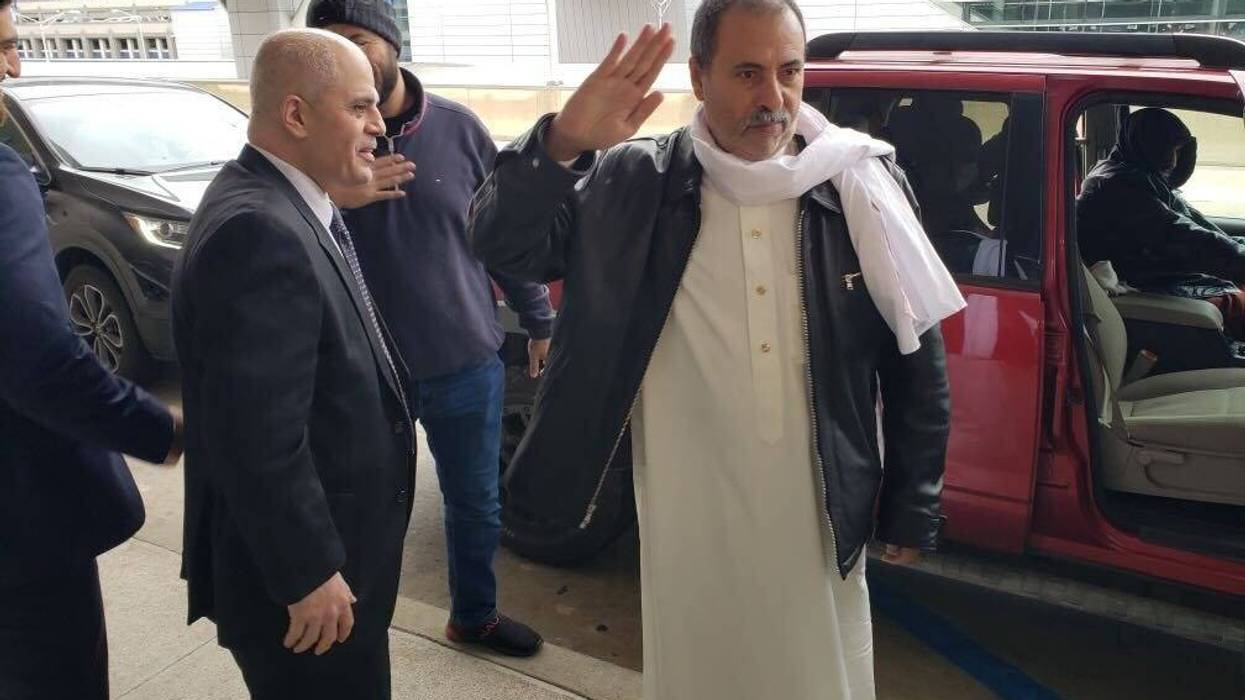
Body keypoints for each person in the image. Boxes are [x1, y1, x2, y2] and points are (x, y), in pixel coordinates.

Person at [469, 2, 962, 698]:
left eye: (789, 71)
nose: (773, 98)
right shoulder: (631, 181)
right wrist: (562, 142)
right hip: (686, 514)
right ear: (698, 78)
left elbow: (915, 357)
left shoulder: (860, 183)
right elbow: (501, 243)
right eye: (746, 73)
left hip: (815, 510)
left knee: (813, 673)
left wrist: (913, 499)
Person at [172, 29, 415, 699]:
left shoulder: (285, 203)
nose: (378, 125)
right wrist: (306, 571)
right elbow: (255, 436)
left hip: (326, 574)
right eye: (360, 108)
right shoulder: (260, 233)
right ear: (296, 115)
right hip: (306, 596)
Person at [308, 0, 551, 656]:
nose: (346, 61)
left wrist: (538, 320)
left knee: (475, 505)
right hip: (360, 372)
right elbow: (274, 234)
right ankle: (348, 630)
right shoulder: (312, 134)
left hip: (465, 361)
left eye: (357, 41)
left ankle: (474, 616)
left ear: (389, 44)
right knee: (357, 510)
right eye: (328, 47)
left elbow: (504, 239)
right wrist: (336, 198)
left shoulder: (459, 129)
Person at [1, 2, 182, 697]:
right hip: (21, 530)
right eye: (4, 47)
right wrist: (158, 427)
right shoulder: (3, 177)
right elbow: (36, 358)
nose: (13, 65)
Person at [1078, 107, 1245, 337]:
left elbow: (1198, 225)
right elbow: (1184, 237)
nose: (1175, 161)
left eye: (1179, 151)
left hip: (1166, 275)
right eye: (1171, 151)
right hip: (1151, 286)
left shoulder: (1140, 175)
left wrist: (1239, 247)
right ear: (1151, 147)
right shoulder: (1117, 187)